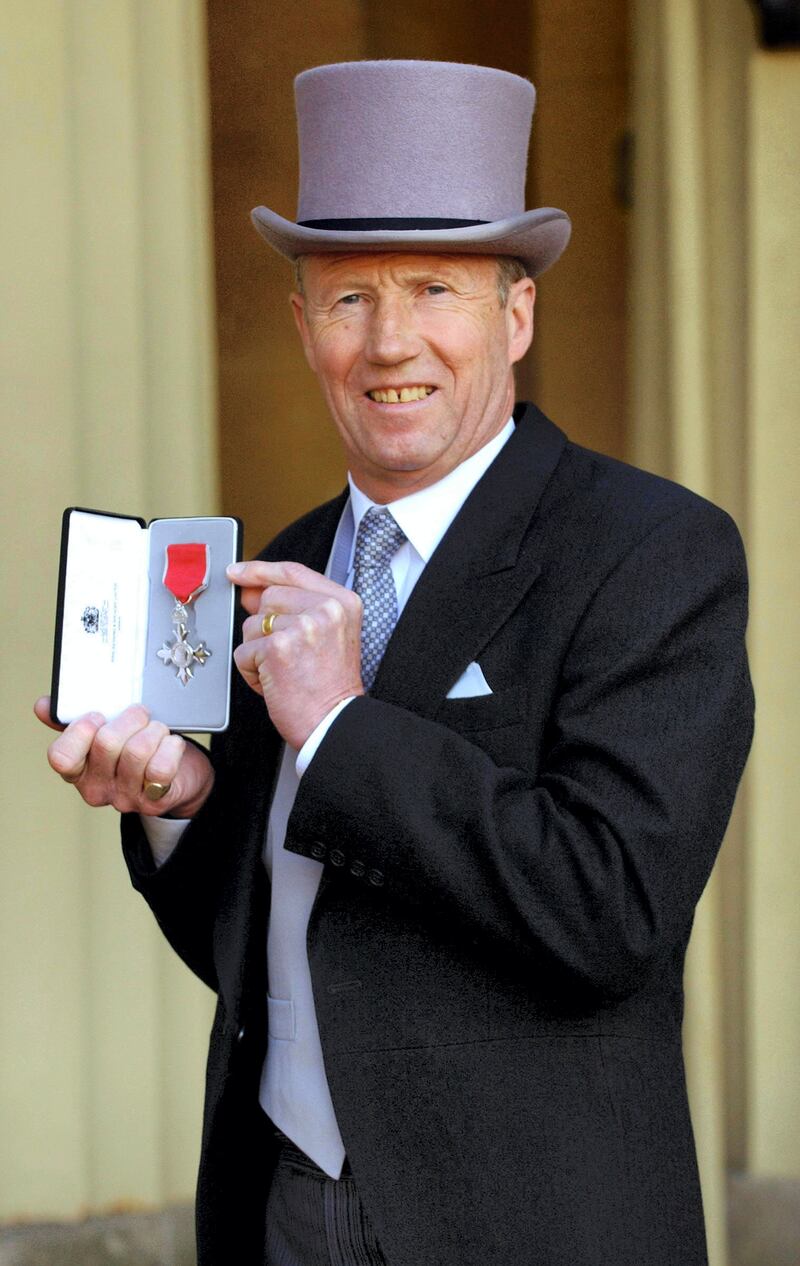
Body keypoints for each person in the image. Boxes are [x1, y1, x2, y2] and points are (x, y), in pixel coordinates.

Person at [36, 60, 754, 1266]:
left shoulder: (650, 551)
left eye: (434, 288)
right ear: (300, 325)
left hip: (522, 1224)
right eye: (348, 297)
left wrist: (340, 728)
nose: (389, 342)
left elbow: (609, 911)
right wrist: (181, 808)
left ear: (514, 316)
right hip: (281, 1210)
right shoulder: (290, 561)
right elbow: (278, 939)